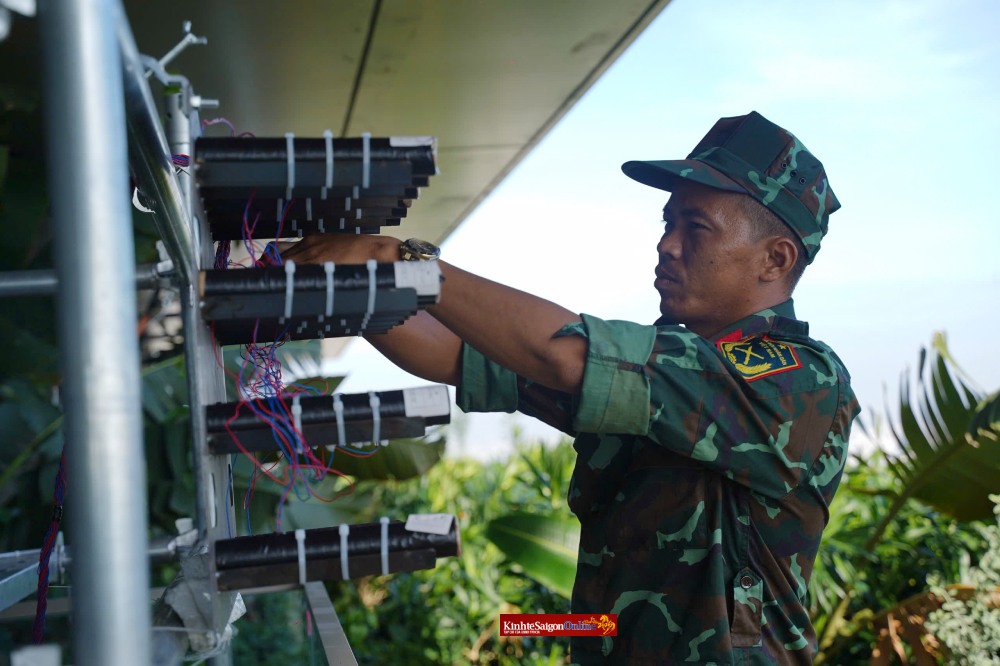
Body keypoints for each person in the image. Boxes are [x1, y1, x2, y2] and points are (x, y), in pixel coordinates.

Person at [280, 111, 860, 665]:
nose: (667, 244)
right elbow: (458, 353)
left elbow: (560, 353)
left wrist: (399, 260)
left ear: (775, 259)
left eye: (696, 227)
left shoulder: (797, 381)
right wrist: (343, 283)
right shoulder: (660, 374)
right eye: (668, 222)